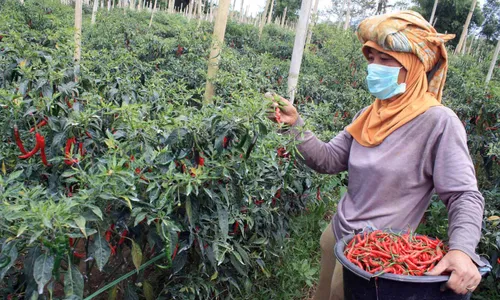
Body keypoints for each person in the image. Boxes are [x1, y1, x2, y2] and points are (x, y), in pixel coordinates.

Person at [267, 11, 486, 300]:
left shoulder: (438, 122)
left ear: (414, 67)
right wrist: (295, 126)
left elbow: (464, 195)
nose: (374, 67)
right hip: (336, 235)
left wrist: (461, 250)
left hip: (374, 258)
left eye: (386, 60)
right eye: (371, 59)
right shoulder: (369, 114)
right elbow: (330, 159)